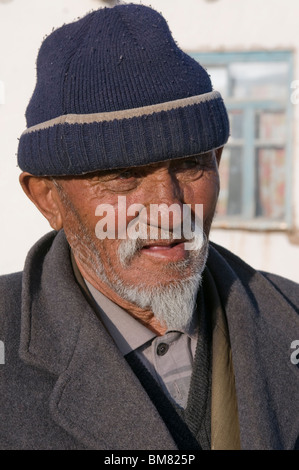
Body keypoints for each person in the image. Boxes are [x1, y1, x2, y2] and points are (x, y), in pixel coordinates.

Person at [1, 3, 299, 451]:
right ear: (49, 198)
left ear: (218, 163)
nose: (169, 207)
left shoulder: (289, 319)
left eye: (191, 164)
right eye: (124, 175)